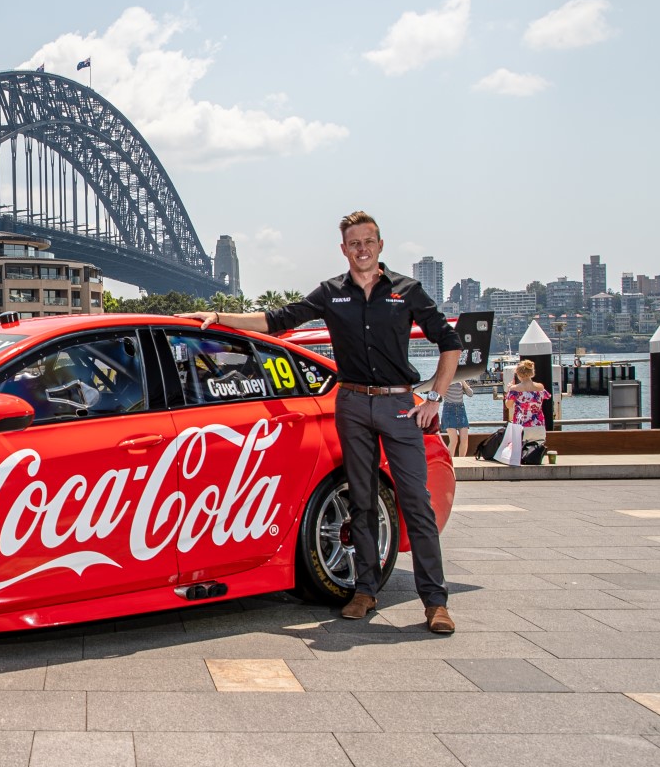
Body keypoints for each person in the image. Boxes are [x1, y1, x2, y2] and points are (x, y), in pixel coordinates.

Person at [178, 209, 461, 635]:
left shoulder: (407, 290)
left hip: (399, 405)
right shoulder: (332, 293)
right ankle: (365, 591)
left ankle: (435, 602)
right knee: (361, 501)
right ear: (344, 249)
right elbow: (277, 321)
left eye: (368, 242)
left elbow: (450, 342)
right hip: (350, 403)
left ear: (380, 246)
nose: (361, 249)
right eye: (354, 243)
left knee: (416, 503)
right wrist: (218, 318)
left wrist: (435, 397)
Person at [506, 359, 551, 443]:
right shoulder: (540, 387)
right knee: (536, 450)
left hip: (521, 424)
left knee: (520, 452)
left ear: (518, 374)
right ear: (532, 373)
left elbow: (508, 405)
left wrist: (509, 389)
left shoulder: (514, 389)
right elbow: (546, 397)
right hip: (538, 424)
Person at [442, 379, 475, 457]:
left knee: (464, 440)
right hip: (449, 409)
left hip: (461, 409)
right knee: (454, 440)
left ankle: (461, 461)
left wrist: (463, 381)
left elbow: (470, 394)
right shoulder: (446, 379)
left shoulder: (460, 380)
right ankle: (450, 463)